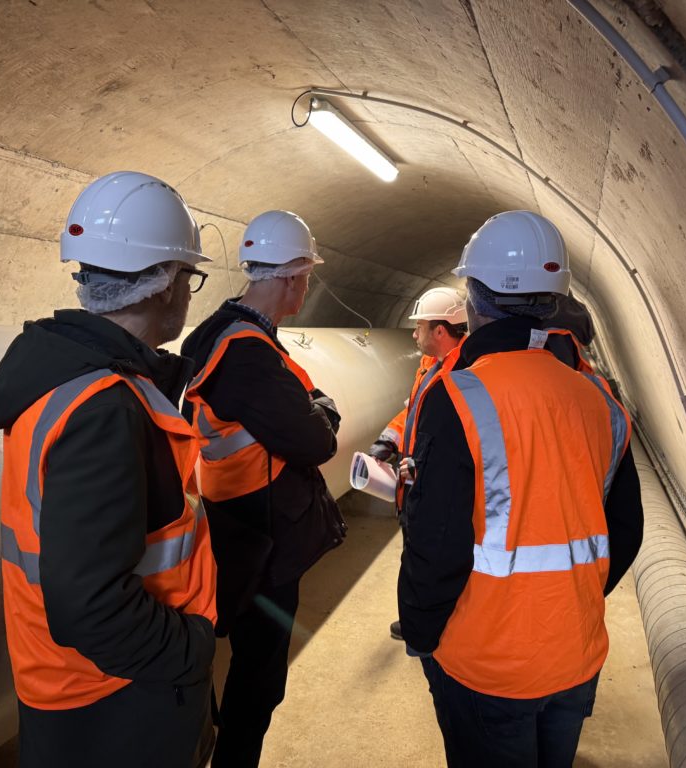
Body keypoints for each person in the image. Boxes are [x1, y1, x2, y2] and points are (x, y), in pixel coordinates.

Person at [0, 171, 218, 768]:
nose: (189, 294)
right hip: (114, 696)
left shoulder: (64, 376)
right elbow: (90, 605)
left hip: (75, 685)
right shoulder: (103, 406)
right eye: (190, 277)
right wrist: (192, 649)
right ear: (165, 284)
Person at [397, 210, 644, 767]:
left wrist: (420, 629)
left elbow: (437, 545)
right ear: (554, 302)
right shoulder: (598, 399)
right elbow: (626, 529)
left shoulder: (459, 396)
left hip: (489, 663)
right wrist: (573, 604)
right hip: (575, 655)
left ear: (475, 300)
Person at [180, 210, 346, 767]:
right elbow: (315, 439)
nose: (305, 287)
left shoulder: (217, 332)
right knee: (258, 676)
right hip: (264, 539)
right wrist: (322, 408)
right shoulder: (248, 354)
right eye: (306, 277)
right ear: (293, 277)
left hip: (231, 520)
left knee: (245, 665)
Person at [366, 286, 468, 642]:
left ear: (440, 331)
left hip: (431, 487)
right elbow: (411, 413)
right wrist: (387, 441)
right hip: (413, 483)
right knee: (414, 558)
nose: (413, 333)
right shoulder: (429, 368)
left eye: (420, 326)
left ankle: (431, 631)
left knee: (432, 561)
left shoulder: (462, 375)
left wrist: (418, 467)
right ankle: (414, 621)